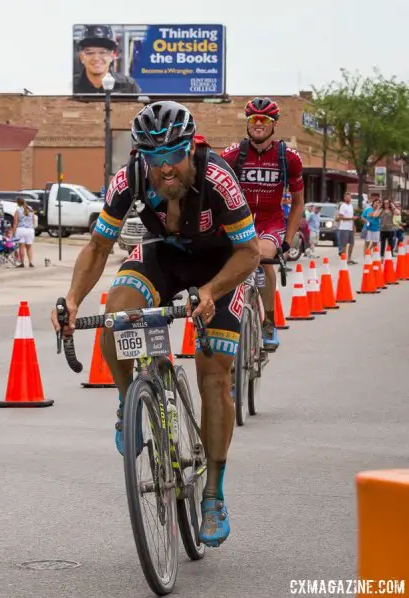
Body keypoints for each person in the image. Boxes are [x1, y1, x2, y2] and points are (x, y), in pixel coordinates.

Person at [51, 101, 260, 548]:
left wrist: (211, 293)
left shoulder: (219, 178)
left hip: (220, 266)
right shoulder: (128, 179)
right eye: (154, 159)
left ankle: (213, 495)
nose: (165, 169)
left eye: (173, 157)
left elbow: (249, 253)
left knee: (214, 374)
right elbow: (98, 247)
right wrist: (71, 299)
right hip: (163, 257)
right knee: (116, 316)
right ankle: (131, 405)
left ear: (191, 147)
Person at [221, 97, 304, 352]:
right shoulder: (233, 155)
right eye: (253, 119)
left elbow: (299, 203)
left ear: (273, 125)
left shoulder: (288, 158)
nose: (258, 124)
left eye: (264, 120)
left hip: (271, 221)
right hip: (240, 220)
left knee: (262, 257)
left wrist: (288, 241)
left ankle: (268, 322)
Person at [73, 25, 140, 94]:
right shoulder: (70, 87)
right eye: (90, 53)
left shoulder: (129, 86)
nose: (96, 58)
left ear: (113, 55)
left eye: (103, 52)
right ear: (81, 56)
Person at [13, 197, 36, 268]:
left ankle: (22, 263)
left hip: (21, 229)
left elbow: (15, 223)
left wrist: (14, 232)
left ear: (18, 203)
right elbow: (33, 220)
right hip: (30, 230)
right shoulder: (30, 209)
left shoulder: (18, 211)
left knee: (21, 247)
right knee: (29, 247)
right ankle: (30, 262)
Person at [335, 192, 358, 263]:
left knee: (352, 243)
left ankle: (349, 259)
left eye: (349, 197)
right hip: (344, 228)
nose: (348, 198)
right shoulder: (343, 205)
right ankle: (343, 259)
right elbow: (341, 217)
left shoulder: (351, 206)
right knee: (344, 245)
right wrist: (351, 218)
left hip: (350, 228)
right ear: (344, 198)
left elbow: (352, 217)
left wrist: (354, 226)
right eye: (347, 197)